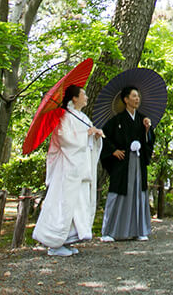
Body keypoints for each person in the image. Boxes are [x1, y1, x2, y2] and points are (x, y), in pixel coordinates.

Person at [32, 84, 104, 256]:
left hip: (80, 166)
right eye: (83, 94)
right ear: (74, 98)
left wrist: (95, 135)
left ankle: (68, 240)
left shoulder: (82, 117)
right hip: (67, 168)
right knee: (63, 203)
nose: (86, 97)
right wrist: (86, 134)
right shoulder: (64, 117)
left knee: (79, 204)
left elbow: (88, 137)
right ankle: (54, 243)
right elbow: (64, 139)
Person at [99, 85, 155, 241]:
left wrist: (147, 130)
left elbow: (150, 140)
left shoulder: (143, 119)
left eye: (138, 96)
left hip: (138, 162)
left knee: (138, 193)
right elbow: (105, 136)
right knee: (118, 194)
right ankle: (109, 232)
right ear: (125, 99)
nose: (137, 99)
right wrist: (113, 151)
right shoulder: (117, 120)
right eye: (134, 96)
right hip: (123, 164)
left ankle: (139, 230)